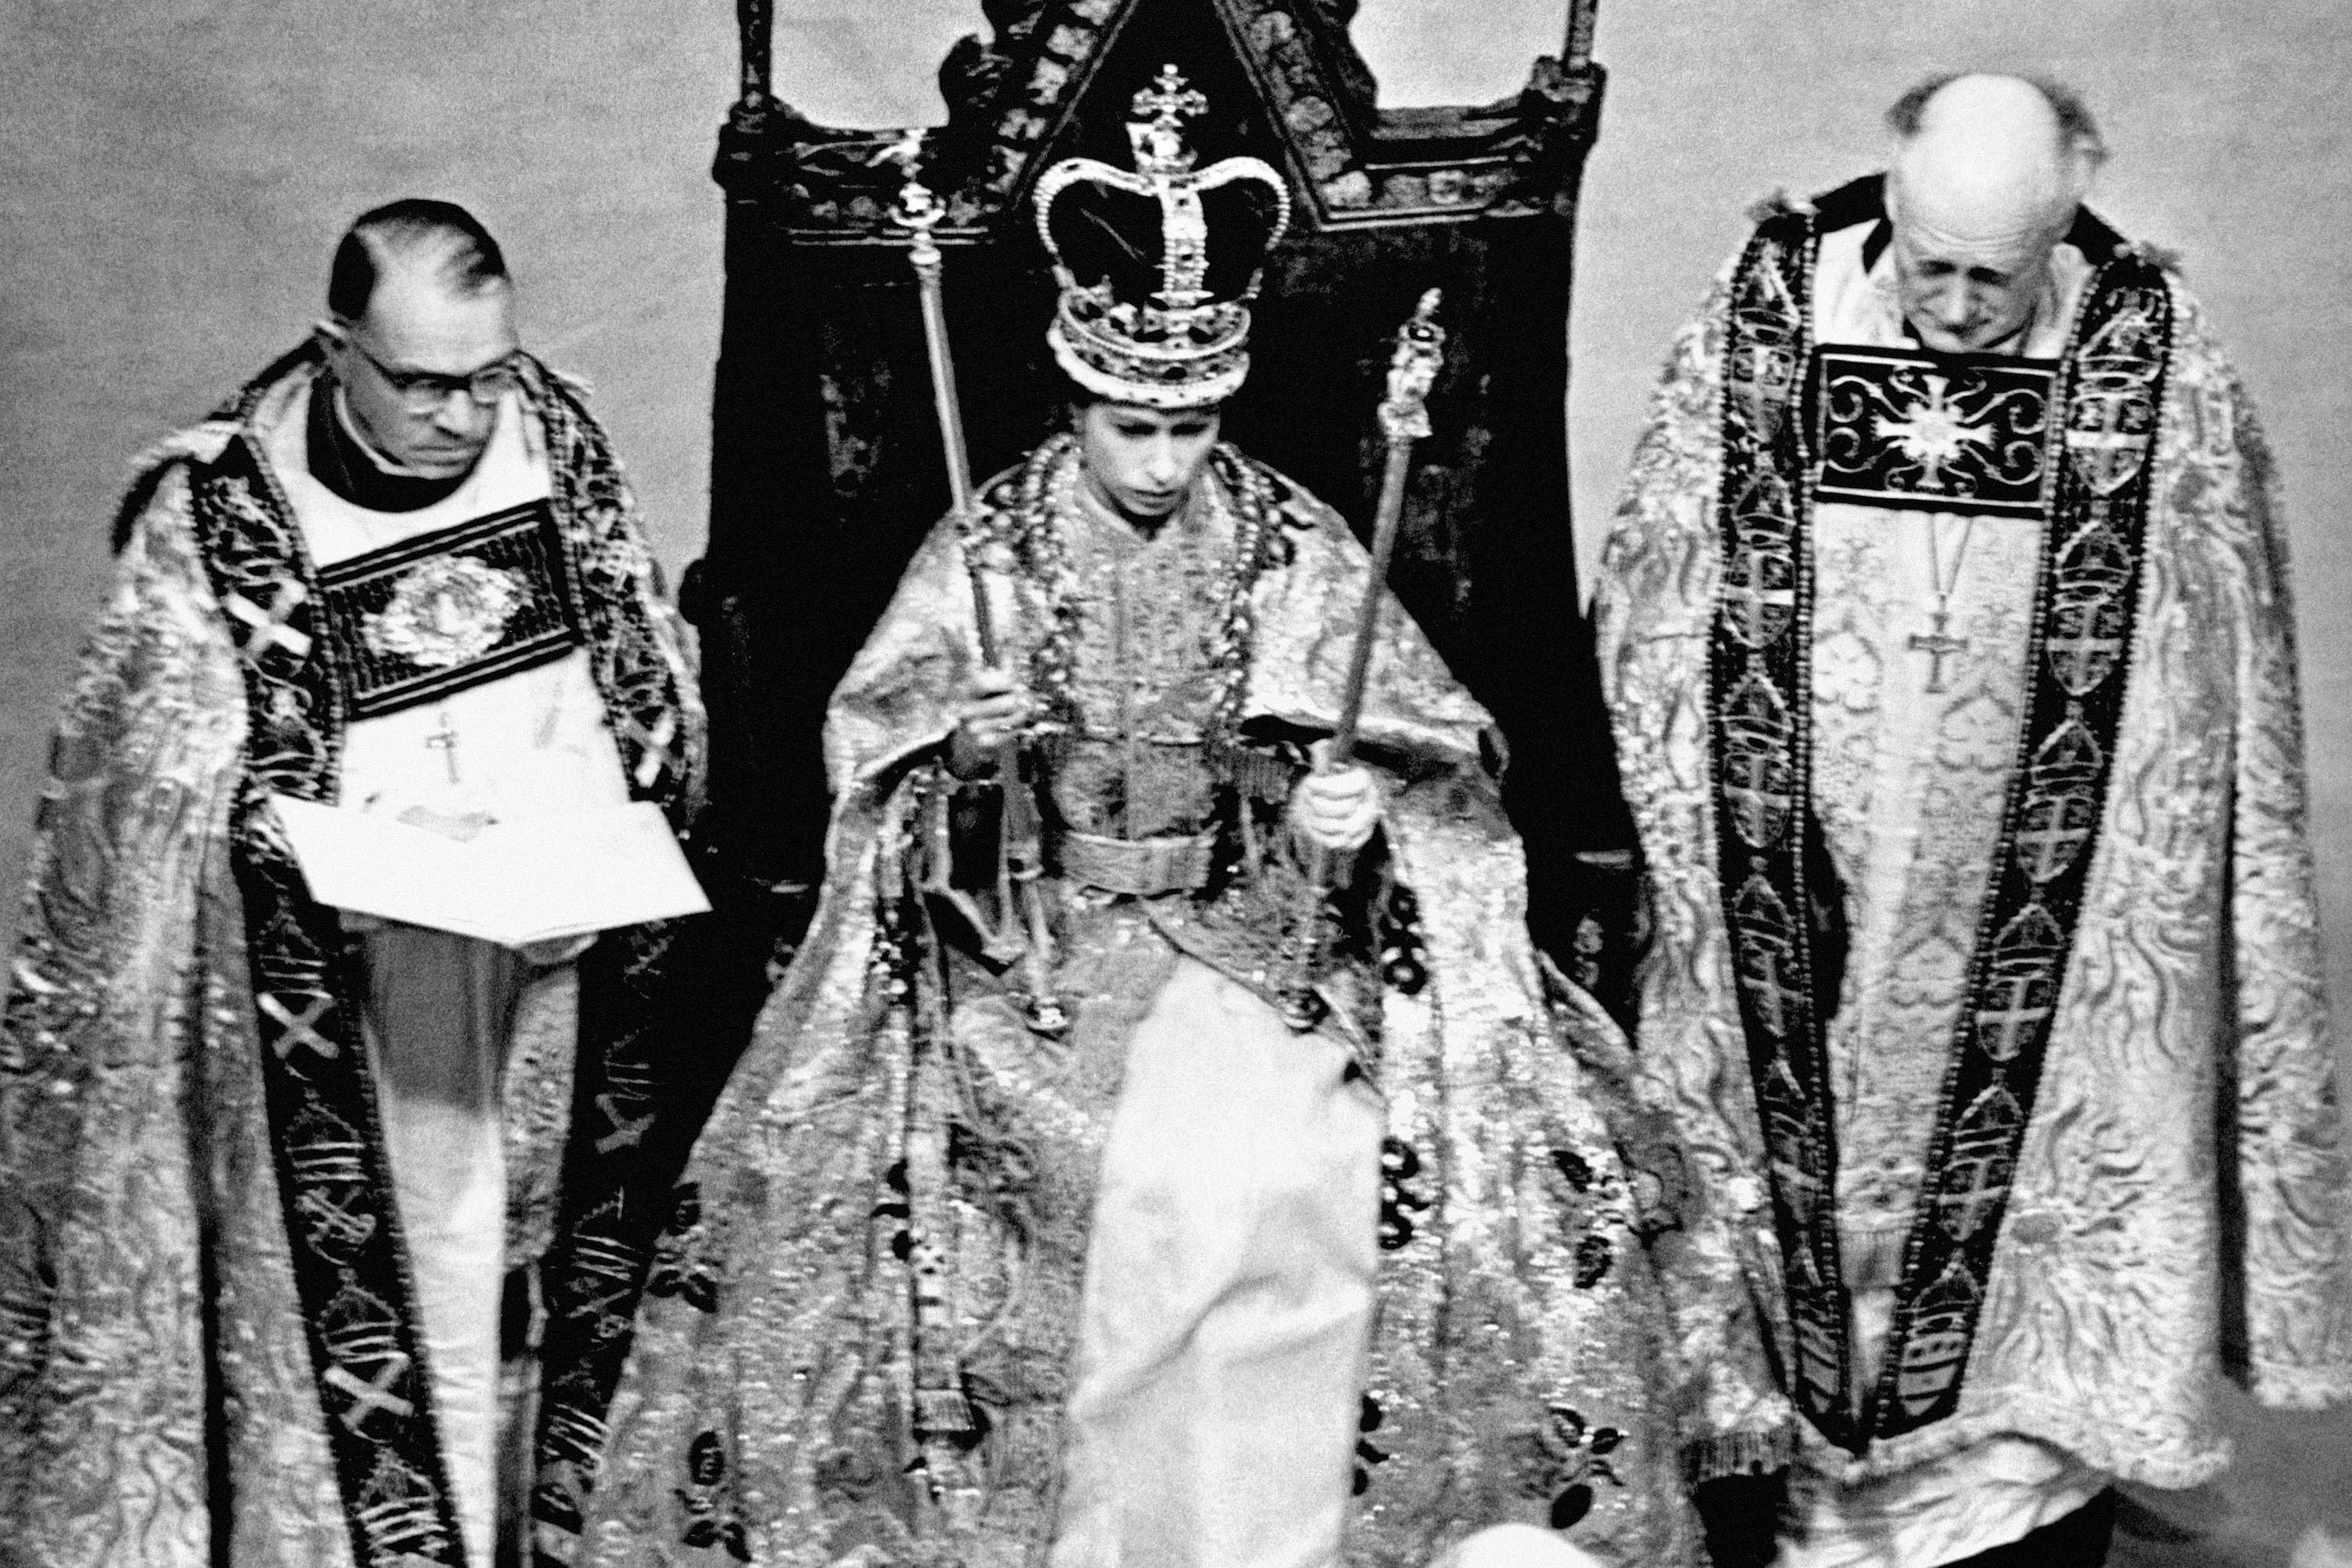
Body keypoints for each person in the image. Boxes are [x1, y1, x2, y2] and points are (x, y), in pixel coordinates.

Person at [561, 75, 1783, 1568]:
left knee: (1305, 1162)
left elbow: (1429, 740)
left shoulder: (1289, 541)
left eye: (1192, 427)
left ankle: (1274, 1526)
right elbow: (871, 761)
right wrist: (965, 760)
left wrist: (1352, 811)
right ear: (1076, 398)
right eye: (1130, 425)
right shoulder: (992, 543)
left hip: (1250, 936)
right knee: (1099, 1169)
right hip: (1028, 949)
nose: (1159, 461)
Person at [1595, 72, 2352, 1568]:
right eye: (1924, 260)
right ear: (1890, 195)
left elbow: (2217, 673)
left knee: (2021, 1241)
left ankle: (2011, 1486)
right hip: (1795, 897)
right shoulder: (1766, 325)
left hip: (2042, 931)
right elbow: (1649, 600)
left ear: (2064, 227)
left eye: (1991, 280)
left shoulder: (2150, 360)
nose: (1948, 306)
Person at [0, 200, 734, 1567]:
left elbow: (654, 684)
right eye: (422, 383)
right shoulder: (222, 517)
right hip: (335, 1019)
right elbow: (148, 792)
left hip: (548, 982)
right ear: (338, 347)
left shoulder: (553, 442)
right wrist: (310, 843)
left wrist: (604, 792)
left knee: (523, 1312)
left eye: (485, 376)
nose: (462, 417)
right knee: (405, 1310)